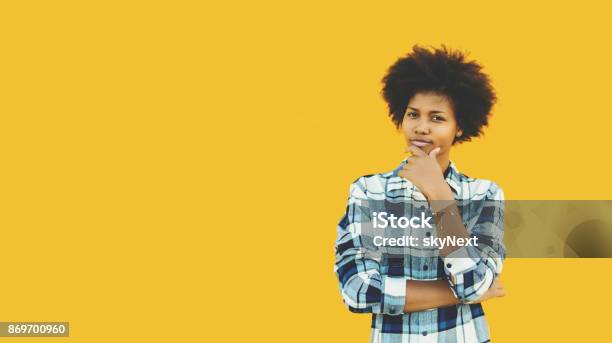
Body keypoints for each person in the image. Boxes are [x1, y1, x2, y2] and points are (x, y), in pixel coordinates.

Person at [334, 45, 506, 343]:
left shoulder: (484, 195)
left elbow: (475, 284)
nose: (422, 128)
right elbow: (357, 291)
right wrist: (460, 294)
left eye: (437, 118)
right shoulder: (368, 192)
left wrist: (439, 195)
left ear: (459, 126)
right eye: (414, 114)